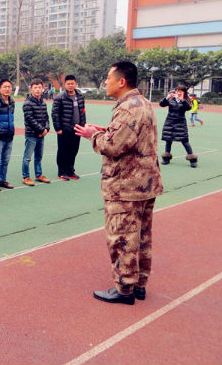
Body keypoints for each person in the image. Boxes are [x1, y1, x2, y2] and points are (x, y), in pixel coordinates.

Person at [75, 61, 163, 305]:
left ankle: (124, 288)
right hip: (144, 183)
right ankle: (139, 284)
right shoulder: (142, 103)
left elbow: (113, 146)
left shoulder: (128, 108)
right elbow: (130, 136)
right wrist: (106, 130)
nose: (106, 82)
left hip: (126, 186)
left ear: (121, 81)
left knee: (122, 237)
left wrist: (93, 135)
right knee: (142, 237)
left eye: (108, 77)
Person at [52, 75, 86, 180]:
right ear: (65, 85)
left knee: (73, 150)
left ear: (76, 84)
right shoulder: (60, 97)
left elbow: (83, 111)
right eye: (68, 84)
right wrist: (58, 128)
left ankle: (70, 171)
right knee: (63, 151)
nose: (70, 85)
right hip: (65, 129)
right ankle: (62, 172)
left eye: (72, 83)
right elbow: (55, 113)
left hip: (77, 128)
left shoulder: (80, 96)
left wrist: (83, 125)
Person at [159, 85, 197, 168]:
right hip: (170, 121)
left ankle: (192, 160)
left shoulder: (186, 100)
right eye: (177, 91)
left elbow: (188, 108)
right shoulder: (171, 99)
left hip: (180, 123)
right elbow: (161, 104)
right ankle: (166, 158)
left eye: (180, 91)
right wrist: (167, 97)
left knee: (185, 140)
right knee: (168, 140)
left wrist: (182, 100)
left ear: (184, 92)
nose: (178, 92)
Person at [22, 78, 51, 186]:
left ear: (43, 89)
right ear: (31, 89)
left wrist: (46, 129)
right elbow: (30, 119)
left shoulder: (43, 103)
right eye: (35, 88)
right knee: (27, 158)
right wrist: (41, 130)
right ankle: (26, 177)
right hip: (31, 135)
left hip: (41, 135)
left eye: (39, 87)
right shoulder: (27, 103)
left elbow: (46, 118)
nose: (38, 90)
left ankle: (38, 175)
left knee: (38, 157)